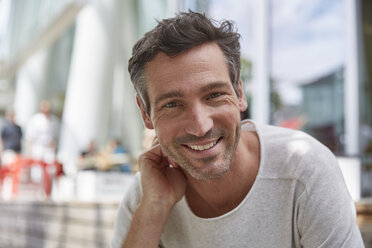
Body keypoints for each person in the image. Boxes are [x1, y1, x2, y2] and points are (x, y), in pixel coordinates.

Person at [111, 11, 364, 248]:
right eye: (173, 104)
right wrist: (155, 206)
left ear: (239, 93)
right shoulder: (146, 196)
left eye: (214, 95)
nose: (201, 126)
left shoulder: (304, 170)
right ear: (145, 114)